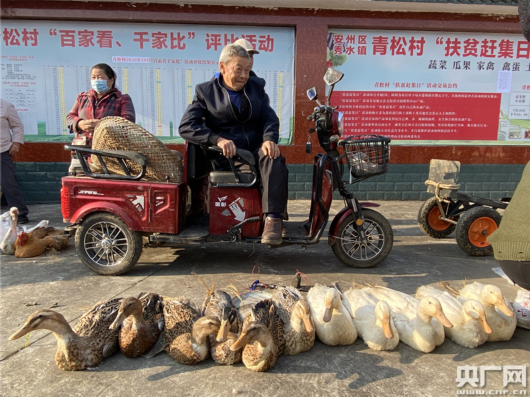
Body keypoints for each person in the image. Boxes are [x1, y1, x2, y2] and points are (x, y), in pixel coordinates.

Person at [179, 44, 288, 245]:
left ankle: (274, 219)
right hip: (229, 155)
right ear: (222, 67)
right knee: (254, 169)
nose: (244, 75)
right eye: (239, 69)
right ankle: (255, 219)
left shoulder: (256, 87)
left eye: (247, 70)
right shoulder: (205, 92)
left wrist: (269, 139)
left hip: (256, 147)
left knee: (274, 157)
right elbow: (186, 126)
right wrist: (216, 139)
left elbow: (270, 119)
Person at [66, 63, 135, 173]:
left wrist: (102, 125)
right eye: (93, 77)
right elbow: (70, 117)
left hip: (109, 156)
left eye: (100, 77)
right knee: (80, 186)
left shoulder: (122, 99)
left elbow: (128, 121)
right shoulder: (82, 97)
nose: (96, 80)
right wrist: (80, 123)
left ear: (111, 80)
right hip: (81, 152)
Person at [0, 97, 29, 224]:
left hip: (2, 151)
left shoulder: (5, 106)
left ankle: (21, 213)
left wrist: (16, 144)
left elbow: (17, 126)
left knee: (9, 184)